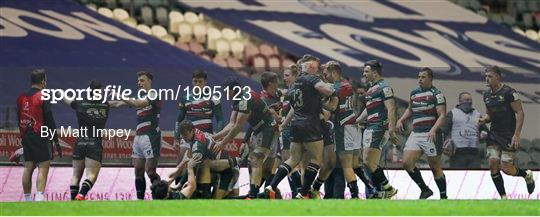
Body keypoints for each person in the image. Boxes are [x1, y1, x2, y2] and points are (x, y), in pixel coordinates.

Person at [265, 54, 338, 199]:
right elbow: (329, 92)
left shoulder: (295, 84)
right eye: (316, 68)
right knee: (316, 160)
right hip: (311, 124)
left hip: (296, 125)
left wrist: (284, 124)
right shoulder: (312, 79)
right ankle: (304, 193)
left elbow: (294, 107)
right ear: (310, 67)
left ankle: (271, 186)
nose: (318, 71)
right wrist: (333, 89)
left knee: (293, 159)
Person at [213, 77, 276, 199]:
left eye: (226, 91)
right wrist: (215, 137)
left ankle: (253, 195)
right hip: (259, 129)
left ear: (234, 90)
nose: (225, 94)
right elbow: (231, 124)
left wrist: (222, 143)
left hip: (268, 129)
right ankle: (263, 192)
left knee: (255, 159)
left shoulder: (244, 99)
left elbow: (237, 127)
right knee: (257, 165)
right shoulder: (239, 98)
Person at [478, 66, 535, 199]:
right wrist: (482, 120)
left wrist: (517, 134)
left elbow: (520, 113)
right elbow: (489, 115)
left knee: (507, 169)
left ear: (498, 77)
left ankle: (526, 174)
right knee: (492, 164)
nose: (487, 78)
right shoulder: (486, 95)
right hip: (493, 134)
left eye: (490, 76)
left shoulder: (509, 92)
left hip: (508, 135)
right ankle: (504, 197)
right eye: (486, 76)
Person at [64, 80, 125, 200]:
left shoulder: (80, 104)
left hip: (80, 143)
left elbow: (66, 99)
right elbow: (118, 103)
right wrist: (130, 101)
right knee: (91, 175)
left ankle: (73, 201)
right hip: (94, 144)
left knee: (76, 175)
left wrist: (60, 93)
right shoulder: (105, 104)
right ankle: (81, 195)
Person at [396, 67, 448, 199]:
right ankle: (425, 189)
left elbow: (442, 115)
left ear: (430, 78)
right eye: (419, 76)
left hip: (431, 135)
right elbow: (410, 109)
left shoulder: (437, 94)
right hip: (416, 133)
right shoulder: (414, 93)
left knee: (435, 167)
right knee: (406, 163)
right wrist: (401, 119)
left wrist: (433, 130)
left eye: (423, 77)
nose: (420, 79)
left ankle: (444, 197)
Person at [16, 69, 61, 202]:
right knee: (43, 166)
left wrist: (23, 137)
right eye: (45, 79)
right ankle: (40, 197)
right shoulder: (43, 96)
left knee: (28, 166)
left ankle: (27, 198)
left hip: (26, 135)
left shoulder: (21, 97)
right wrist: (55, 141)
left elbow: (19, 118)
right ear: (43, 81)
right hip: (40, 135)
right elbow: (49, 120)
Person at [358, 60, 398, 199]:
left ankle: (388, 189)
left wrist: (391, 129)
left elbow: (391, 108)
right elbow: (368, 110)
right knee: (369, 162)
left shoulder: (384, 87)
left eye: (367, 71)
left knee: (368, 162)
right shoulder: (371, 89)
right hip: (370, 127)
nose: (364, 74)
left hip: (379, 127)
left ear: (375, 72)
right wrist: (356, 121)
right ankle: (382, 192)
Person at [122, 71, 162, 200]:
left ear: (150, 81)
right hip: (139, 136)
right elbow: (119, 104)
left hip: (150, 136)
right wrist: (103, 104)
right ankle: (140, 201)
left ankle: (160, 197)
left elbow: (137, 104)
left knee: (150, 171)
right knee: (138, 171)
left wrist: (120, 95)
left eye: (142, 80)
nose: (139, 83)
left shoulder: (154, 95)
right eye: (138, 81)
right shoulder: (140, 96)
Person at [174, 70, 224, 164]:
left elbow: (220, 120)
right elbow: (178, 120)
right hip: (188, 137)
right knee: (181, 162)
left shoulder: (214, 98)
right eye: (195, 81)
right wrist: (176, 139)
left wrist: (218, 139)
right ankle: (180, 178)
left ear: (205, 82)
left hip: (206, 136)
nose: (197, 84)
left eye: (200, 81)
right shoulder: (185, 98)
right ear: (192, 82)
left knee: (205, 166)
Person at [441, 92, 487, 169]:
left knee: (474, 176)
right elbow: (443, 131)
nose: (469, 102)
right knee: (458, 175)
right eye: (466, 99)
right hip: (457, 152)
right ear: (460, 101)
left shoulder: (477, 114)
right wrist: (443, 145)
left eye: (470, 100)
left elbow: (484, 131)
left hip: (474, 152)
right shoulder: (452, 113)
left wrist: (483, 135)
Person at [279, 64, 302, 197]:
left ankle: (298, 191)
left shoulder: (293, 90)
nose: (284, 78)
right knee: (288, 161)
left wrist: (284, 124)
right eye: (284, 75)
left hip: (290, 129)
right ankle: (297, 191)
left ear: (295, 76)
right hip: (288, 129)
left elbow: (294, 110)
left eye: (287, 76)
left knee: (289, 161)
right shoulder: (290, 90)